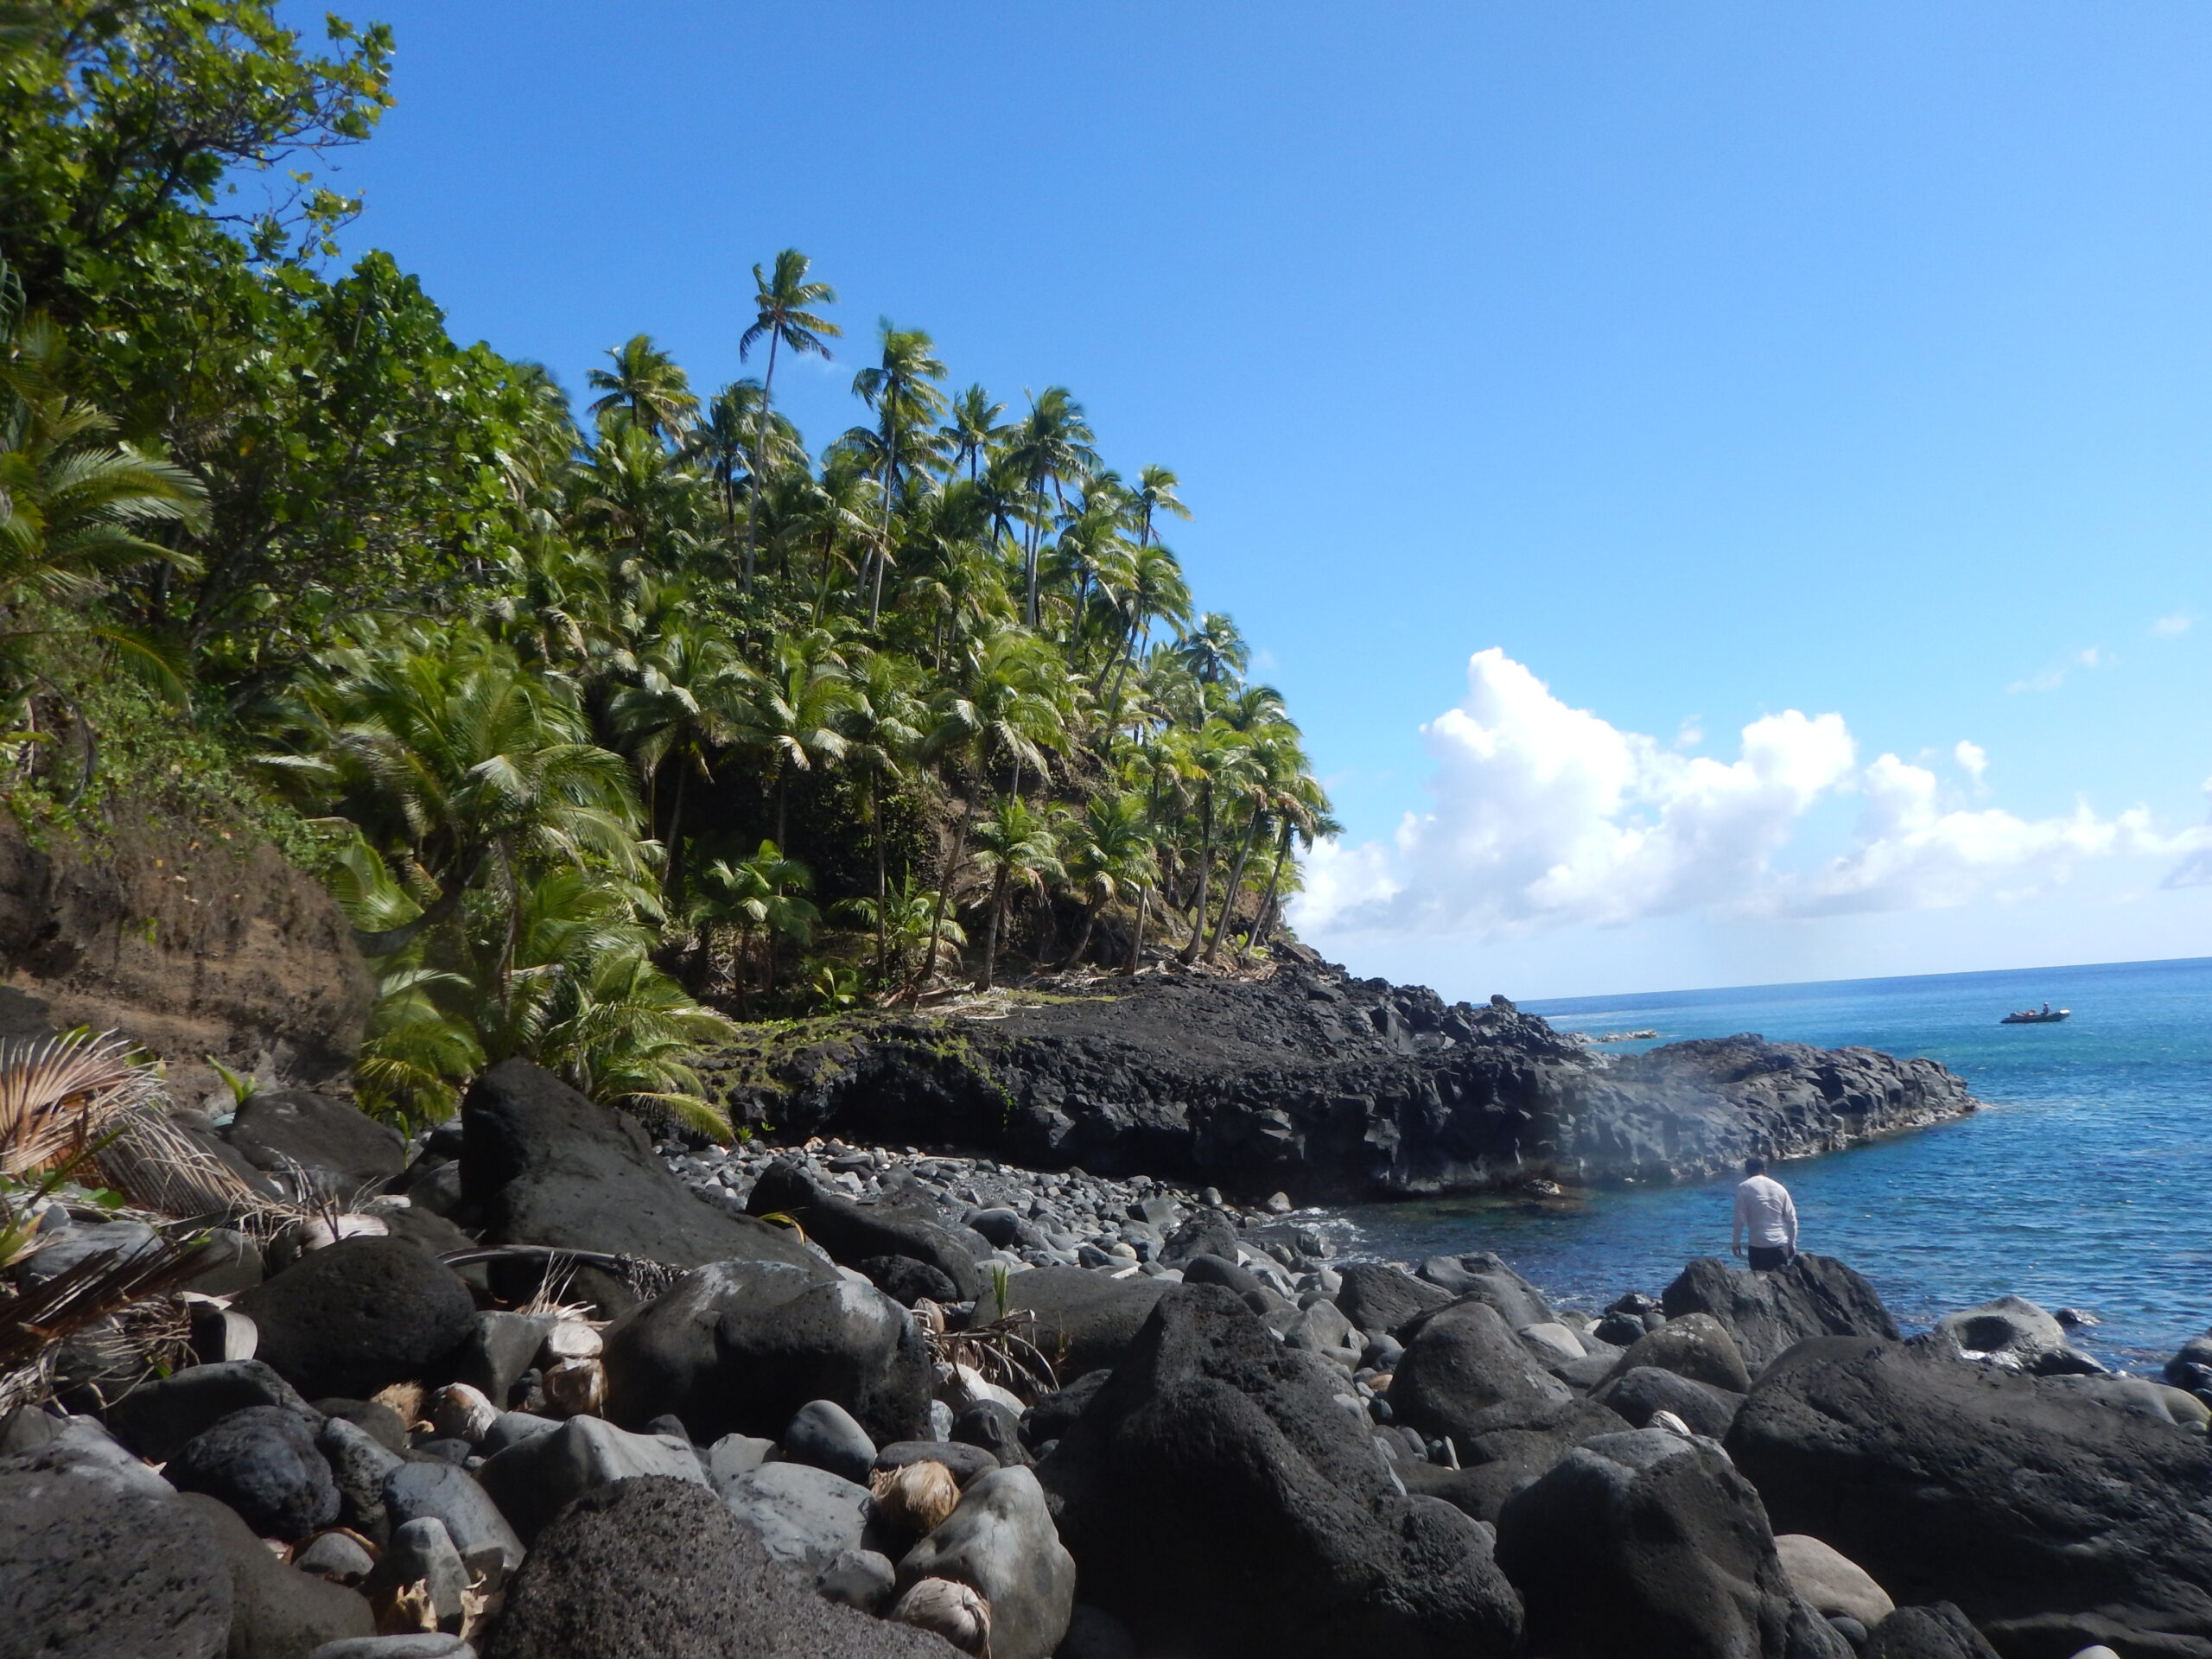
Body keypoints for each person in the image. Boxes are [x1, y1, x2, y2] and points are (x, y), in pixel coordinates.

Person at [1731, 1156, 1797, 1271]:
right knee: (1779, 1285)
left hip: (1758, 1245)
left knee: (1760, 1285)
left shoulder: (1744, 1187)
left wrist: (1736, 1243)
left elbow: (1739, 1219)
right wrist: (1792, 1244)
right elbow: (1791, 1219)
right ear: (1765, 1170)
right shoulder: (1780, 1188)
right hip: (1779, 1245)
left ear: (1747, 1171)